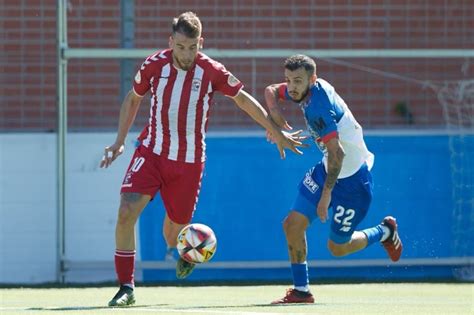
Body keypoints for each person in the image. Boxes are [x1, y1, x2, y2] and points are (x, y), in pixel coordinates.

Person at [100, 12, 304, 307]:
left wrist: (275, 131)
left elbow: (244, 99)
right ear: (171, 42)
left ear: (200, 43)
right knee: (126, 212)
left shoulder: (212, 70)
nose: (186, 54)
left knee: (174, 230)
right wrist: (119, 142)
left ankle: (182, 251)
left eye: (192, 47)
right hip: (152, 152)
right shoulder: (154, 65)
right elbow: (133, 99)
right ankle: (126, 288)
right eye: (181, 47)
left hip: (189, 163)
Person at [264, 55, 403, 304]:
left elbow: (338, 154)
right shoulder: (306, 89)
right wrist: (275, 118)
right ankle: (302, 291)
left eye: (297, 81)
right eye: (289, 80)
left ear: (312, 79)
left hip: (352, 181)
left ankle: (384, 231)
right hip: (328, 167)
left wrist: (326, 195)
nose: (291, 86)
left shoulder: (318, 105)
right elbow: (270, 90)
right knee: (292, 225)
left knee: (338, 247)